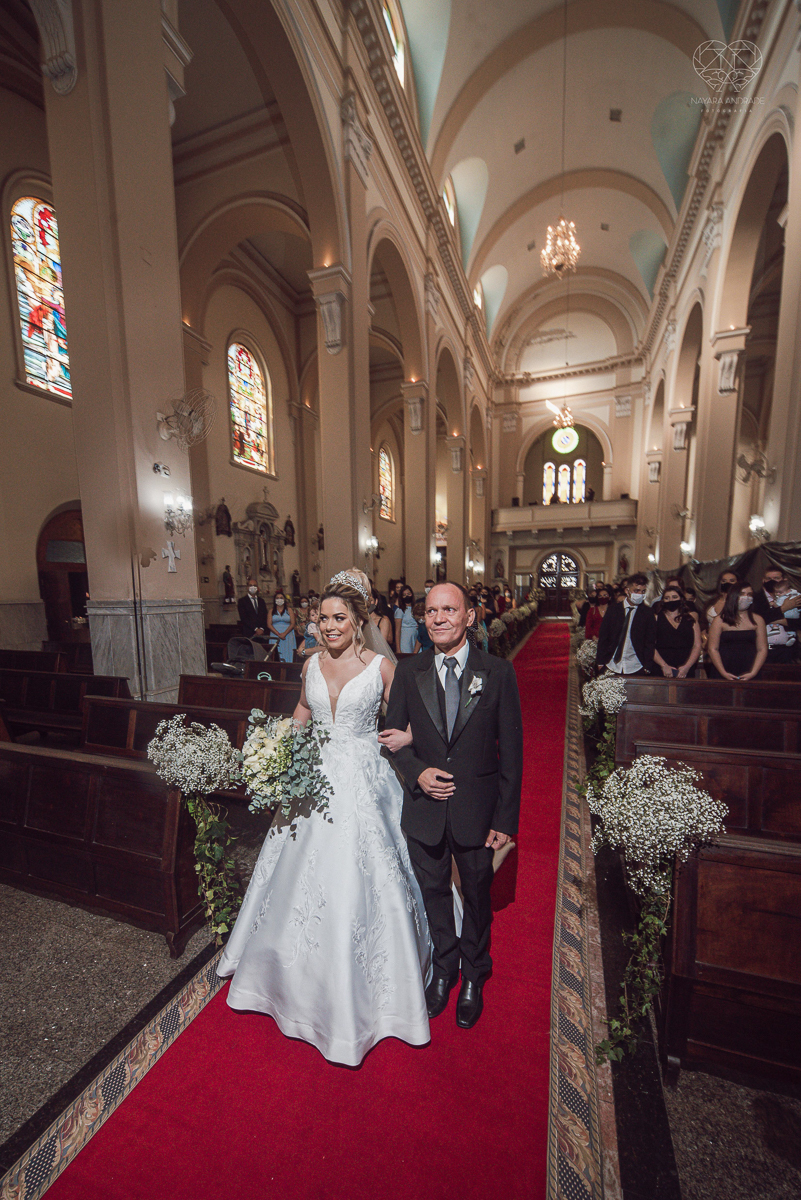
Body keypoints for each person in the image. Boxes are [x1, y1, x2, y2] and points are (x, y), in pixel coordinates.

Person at [218, 571, 432, 1066]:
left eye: (340, 618)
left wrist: (404, 740)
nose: (330, 626)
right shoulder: (311, 665)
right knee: (295, 874)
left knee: (367, 870)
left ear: (358, 623)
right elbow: (301, 711)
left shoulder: (382, 667)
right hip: (312, 777)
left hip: (363, 779)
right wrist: (274, 749)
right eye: (323, 618)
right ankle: (284, 977)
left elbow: (407, 723)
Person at [384, 582, 524, 1029]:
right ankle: (444, 970)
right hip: (424, 809)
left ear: (469, 616)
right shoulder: (410, 671)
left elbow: (513, 752)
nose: (439, 618)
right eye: (430, 611)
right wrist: (417, 771)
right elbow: (392, 741)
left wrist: (504, 819)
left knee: (477, 897)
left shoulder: (497, 672)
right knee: (434, 894)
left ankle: (474, 974)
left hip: (477, 812)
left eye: (449, 609)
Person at [596, 572, 656, 676]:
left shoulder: (647, 613)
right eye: (636, 591)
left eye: (643, 591)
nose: (639, 594)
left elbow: (650, 642)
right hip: (611, 664)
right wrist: (600, 662)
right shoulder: (613, 610)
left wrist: (647, 666)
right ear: (627, 591)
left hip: (636, 665)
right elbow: (604, 637)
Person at [706, 582, 768, 680]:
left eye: (749, 594)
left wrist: (753, 672)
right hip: (724, 668)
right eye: (742, 594)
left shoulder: (758, 620)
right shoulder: (719, 620)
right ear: (733, 596)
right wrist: (723, 672)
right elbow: (713, 649)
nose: (746, 597)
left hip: (750, 668)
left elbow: (762, 649)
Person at [752, 566, 801, 663]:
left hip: (789, 652)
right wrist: (784, 608)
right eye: (768, 579)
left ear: (784, 580)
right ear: (763, 580)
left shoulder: (795, 597)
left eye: (776, 578)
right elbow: (755, 619)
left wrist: (783, 621)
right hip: (761, 651)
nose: (772, 581)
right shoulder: (755, 598)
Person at [653, 586, 702, 678]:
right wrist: (663, 665)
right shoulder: (656, 618)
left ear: (681, 599)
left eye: (674, 597)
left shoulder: (690, 619)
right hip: (661, 667)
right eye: (667, 598)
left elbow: (697, 645)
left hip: (686, 667)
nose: (671, 600)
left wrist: (687, 666)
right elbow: (650, 645)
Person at [267, 589, 297, 662]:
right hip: (275, 635)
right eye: (277, 598)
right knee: (277, 655)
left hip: (288, 635)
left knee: (288, 653)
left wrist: (284, 634)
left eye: (281, 598)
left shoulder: (289, 610)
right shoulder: (271, 611)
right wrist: (278, 634)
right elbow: (269, 624)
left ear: (284, 600)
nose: (279, 600)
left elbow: (293, 623)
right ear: (274, 600)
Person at [395, 584, 418, 654]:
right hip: (405, 639)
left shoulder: (416, 608)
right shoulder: (400, 611)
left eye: (408, 594)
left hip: (416, 638)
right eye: (404, 595)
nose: (407, 596)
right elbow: (397, 631)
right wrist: (398, 649)